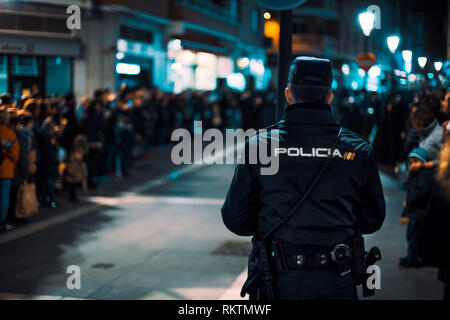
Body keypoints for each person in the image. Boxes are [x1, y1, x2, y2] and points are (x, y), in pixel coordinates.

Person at [221, 56, 386, 300]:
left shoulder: (260, 146)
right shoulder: (359, 149)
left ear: (288, 94)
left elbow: (235, 219)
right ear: (330, 96)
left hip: (277, 281)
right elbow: (372, 219)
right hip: (337, 278)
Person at [399, 148, 435, 267]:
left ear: (423, 162)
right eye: (411, 162)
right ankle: (410, 256)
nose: (413, 165)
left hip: (419, 211)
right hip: (413, 210)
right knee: (410, 235)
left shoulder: (424, 174)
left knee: (414, 237)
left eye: (416, 162)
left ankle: (412, 259)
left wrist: (409, 200)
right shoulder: (415, 174)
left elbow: (420, 192)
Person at [0, 107, 20, 231]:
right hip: (6, 169)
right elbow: (15, 155)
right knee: (4, 197)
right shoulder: (10, 133)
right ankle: (2, 221)